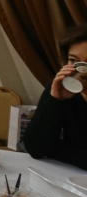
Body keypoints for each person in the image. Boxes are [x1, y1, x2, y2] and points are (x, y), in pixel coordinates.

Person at [24, 23, 87, 170]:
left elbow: (50, 150)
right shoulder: (60, 88)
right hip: (69, 175)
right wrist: (55, 100)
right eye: (74, 61)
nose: (81, 70)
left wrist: (56, 151)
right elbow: (35, 148)